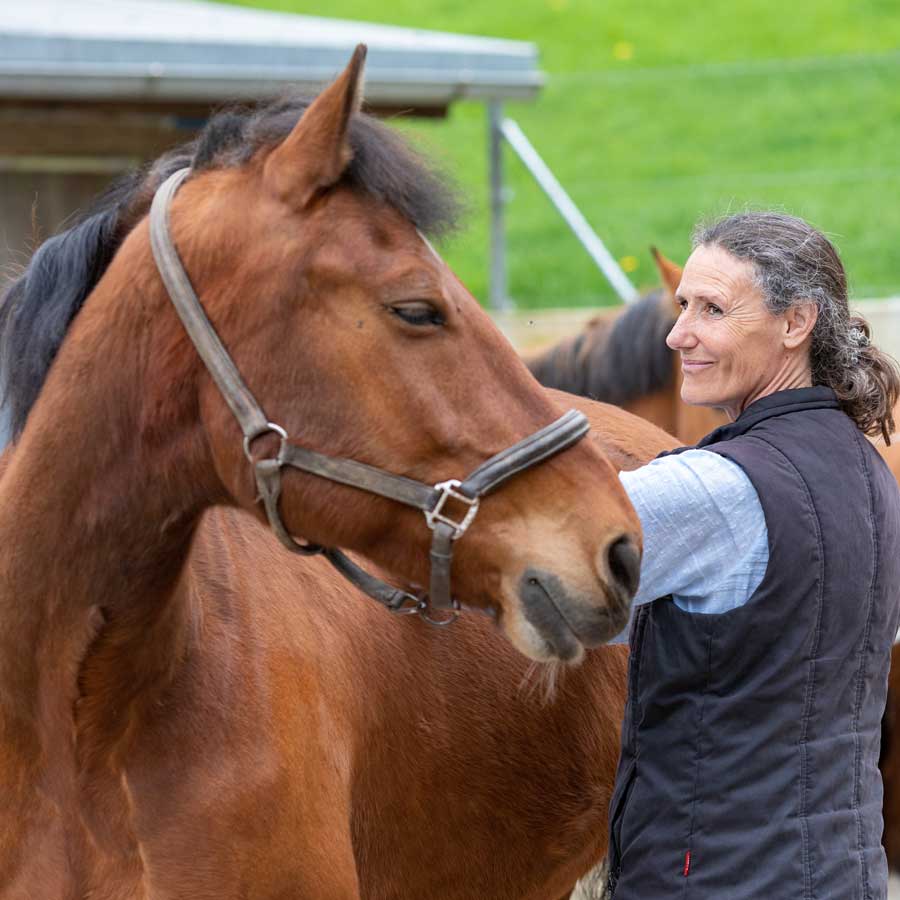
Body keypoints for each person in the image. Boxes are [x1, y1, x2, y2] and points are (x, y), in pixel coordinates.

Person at [606, 212, 900, 899]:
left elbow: (547, 590)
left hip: (709, 879)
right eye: (682, 307)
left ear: (796, 323)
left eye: (711, 309)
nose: (679, 335)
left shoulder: (705, 489)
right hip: (841, 872)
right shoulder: (872, 473)